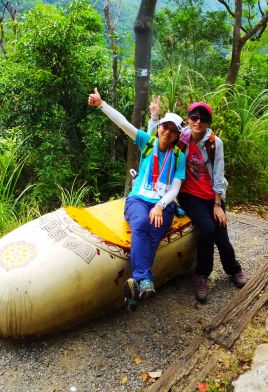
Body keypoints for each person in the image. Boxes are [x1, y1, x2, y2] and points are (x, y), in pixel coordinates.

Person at [88, 87, 186, 309]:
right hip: (139, 200)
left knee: (155, 229)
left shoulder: (179, 156)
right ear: (159, 127)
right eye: (165, 127)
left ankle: (137, 286)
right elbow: (124, 124)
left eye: (173, 130)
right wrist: (102, 104)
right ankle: (144, 279)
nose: (167, 132)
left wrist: (161, 206)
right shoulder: (147, 142)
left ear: (177, 135)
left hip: (164, 205)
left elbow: (175, 188)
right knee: (142, 223)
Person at [149, 100, 247, 303]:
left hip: (212, 196)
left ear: (208, 122)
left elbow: (219, 175)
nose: (198, 122)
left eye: (203, 119)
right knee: (208, 230)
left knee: (222, 236)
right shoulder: (181, 137)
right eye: (194, 117)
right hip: (189, 195)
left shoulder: (214, 143)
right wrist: (154, 118)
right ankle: (202, 274)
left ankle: (233, 269)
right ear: (188, 119)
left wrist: (218, 205)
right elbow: (155, 141)